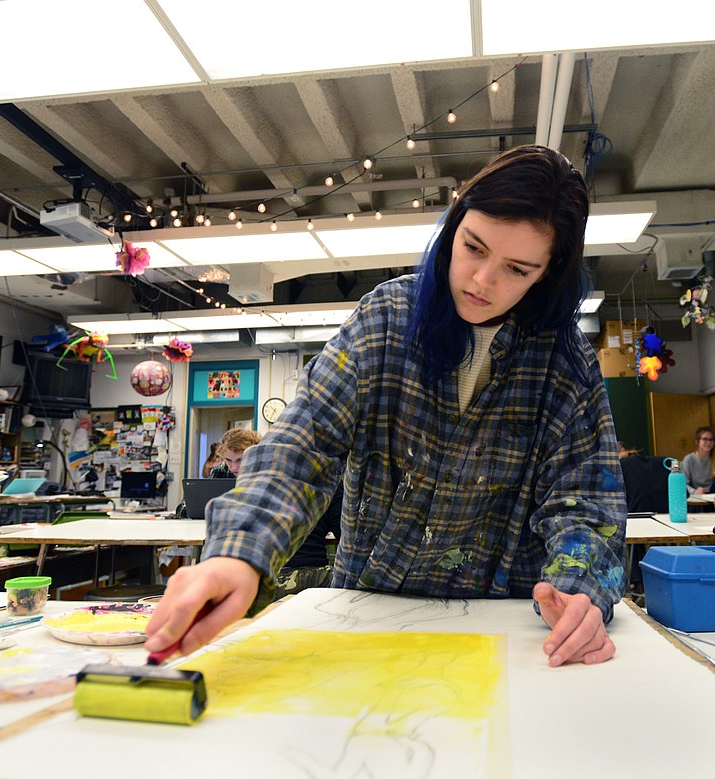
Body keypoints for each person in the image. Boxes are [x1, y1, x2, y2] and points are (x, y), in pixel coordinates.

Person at [145, 145, 628, 668]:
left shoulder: (564, 359)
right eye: (473, 247)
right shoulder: (386, 318)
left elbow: (586, 501)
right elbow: (303, 445)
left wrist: (579, 591)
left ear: (548, 272)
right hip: (363, 619)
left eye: (517, 268)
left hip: (501, 634)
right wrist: (238, 553)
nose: (482, 280)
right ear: (453, 225)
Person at [209, 427, 342, 596]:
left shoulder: (256, 485)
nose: (235, 467)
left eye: (240, 460)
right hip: (315, 575)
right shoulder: (326, 478)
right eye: (229, 461)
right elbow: (343, 533)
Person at [681, 426, 715, 495]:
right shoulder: (689, 459)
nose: (708, 442)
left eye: (711, 440)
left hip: (714, 494)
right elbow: (683, 484)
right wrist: (694, 491)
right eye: (705, 439)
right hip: (698, 495)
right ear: (697, 441)